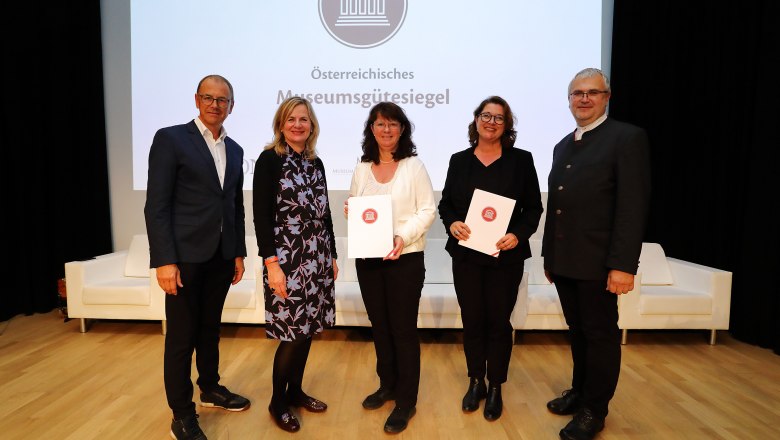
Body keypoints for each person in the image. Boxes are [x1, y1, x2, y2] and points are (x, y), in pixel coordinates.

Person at [543, 68, 651, 440]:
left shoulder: (626, 138)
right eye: (577, 93)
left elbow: (631, 208)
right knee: (577, 332)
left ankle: (594, 409)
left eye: (592, 92)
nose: (584, 99)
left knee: (600, 335)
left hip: (599, 263)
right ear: (569, 99)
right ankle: (579, 391)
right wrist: (549, 259)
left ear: (606, 97)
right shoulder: (562, 144)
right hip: (566, 261)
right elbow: (557, 205)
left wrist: (622, 265)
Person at [145, 74, 250, 440]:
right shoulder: (171, 139)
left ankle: (210, 388)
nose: (214, 104)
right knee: (181, 338)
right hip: (184, 259)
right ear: (196, 99)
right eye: (208, 97)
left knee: (210, 330)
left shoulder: (235, 149)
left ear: (231, 106)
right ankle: (182, 414)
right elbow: (156, 205)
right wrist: (164, 260)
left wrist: (238, 252)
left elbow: (234, 205)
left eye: (222, 99)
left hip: (221, 257)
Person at [438, 96, 543, 421]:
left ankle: (495, 384)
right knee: (472, 320)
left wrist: (518, 235)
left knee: (499, 322)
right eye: (487, 115)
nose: (491, 122)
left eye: (499, 118)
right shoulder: (459, 160)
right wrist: (452, 222)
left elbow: (534, 208)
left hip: (505, 257)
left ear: (506, 125)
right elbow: (446, 205)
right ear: (476, 120)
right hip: (467, 256)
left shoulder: (521, 161)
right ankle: (475, 381)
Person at [344, 102, 436, 434]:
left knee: (402, 329)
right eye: (380, 124)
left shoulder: (414, 166)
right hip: (368, 261)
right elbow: (357, 207)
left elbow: (427, 210)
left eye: (393, 124)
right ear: (372, 129)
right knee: (379, 326)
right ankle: (387, 385)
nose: (386, 130)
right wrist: (351, 211)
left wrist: (401, 236)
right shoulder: (362, 168)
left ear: (402, 130)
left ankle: (406, 400)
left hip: (405, 259)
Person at [253, 96, 339, 433]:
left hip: (316, 258)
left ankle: (296, 391)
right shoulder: (268, 161)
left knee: (307, 331)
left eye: (303, 119)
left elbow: (326, 212)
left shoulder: (315, 164)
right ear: (281, 124)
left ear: (311, 125)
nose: (298, 125)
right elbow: (261, 217)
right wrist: (272, 264)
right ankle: (278, 402)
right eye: (291, 119)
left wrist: (331, 254)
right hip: (287, 260)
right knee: (291, 334)